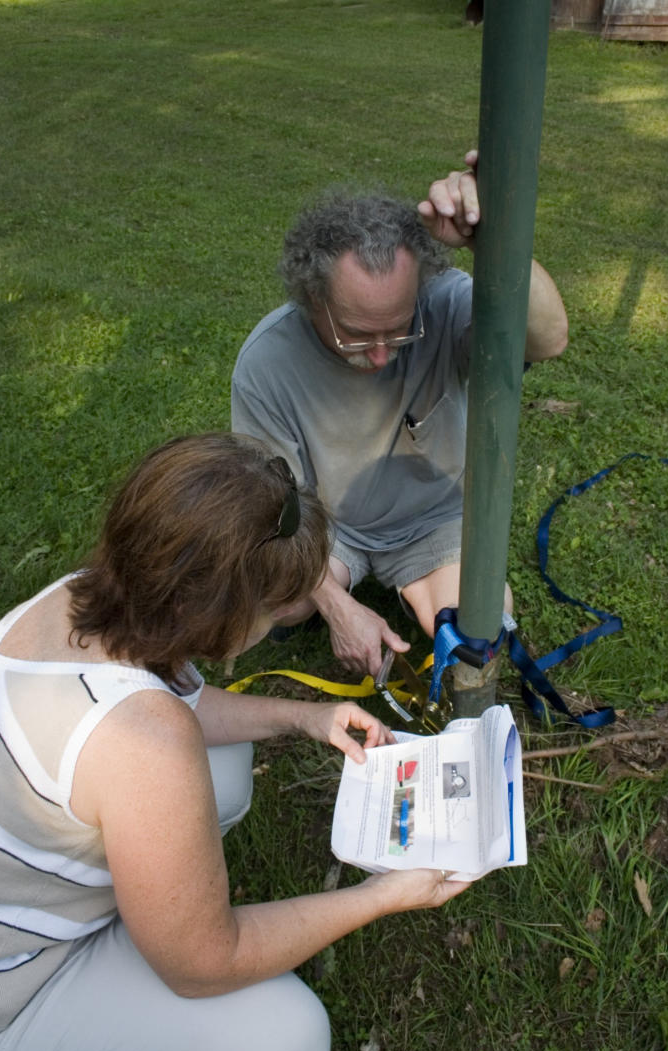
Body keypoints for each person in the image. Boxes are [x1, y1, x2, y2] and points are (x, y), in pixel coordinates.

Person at [0, 432, 469, 1051]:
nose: (278, 625)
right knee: (284, 1039)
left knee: (226, 767)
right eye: (276, 610)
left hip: (2, 903)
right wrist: (382, 895)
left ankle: (150, 911)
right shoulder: (143, 742)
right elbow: (206, 965)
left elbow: (177, 706)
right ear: (220, 613)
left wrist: (304, 718)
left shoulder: (83, 597)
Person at [231, 152, 568, 677]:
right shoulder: (266, 362)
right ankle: (322, 597)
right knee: (259, 605)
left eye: (399, 328)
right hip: (326, 526)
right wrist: (338, 608)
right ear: (311, 299)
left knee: (478, 630)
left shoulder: (442, 300)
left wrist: (492, 240)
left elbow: (548, 338)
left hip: (433, 520)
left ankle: (416, 585)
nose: (384, 354)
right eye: (358, 334)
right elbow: (271, 508)